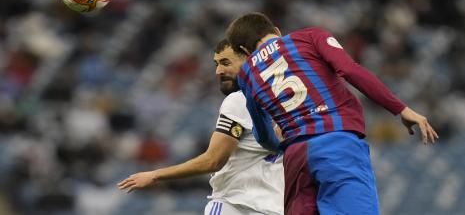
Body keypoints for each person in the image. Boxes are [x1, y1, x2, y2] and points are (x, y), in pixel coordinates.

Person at [225, 12, 439, 215]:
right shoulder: (309, 37)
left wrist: (282, 145)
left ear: (244, 51)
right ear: (277, 31)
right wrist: (400, 109)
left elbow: (263, 135)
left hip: (295, 159)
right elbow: (350, 70)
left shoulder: (246, 75)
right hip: (336, 144)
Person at [117, 39, 284, 215]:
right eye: (217, 64)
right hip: (274, 207)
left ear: (247, 60)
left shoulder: (239, 101)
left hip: (236, 205)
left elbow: (213, 160)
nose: (218, 71)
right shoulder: (295, 104)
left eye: (226, 63)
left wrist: (155, 175)